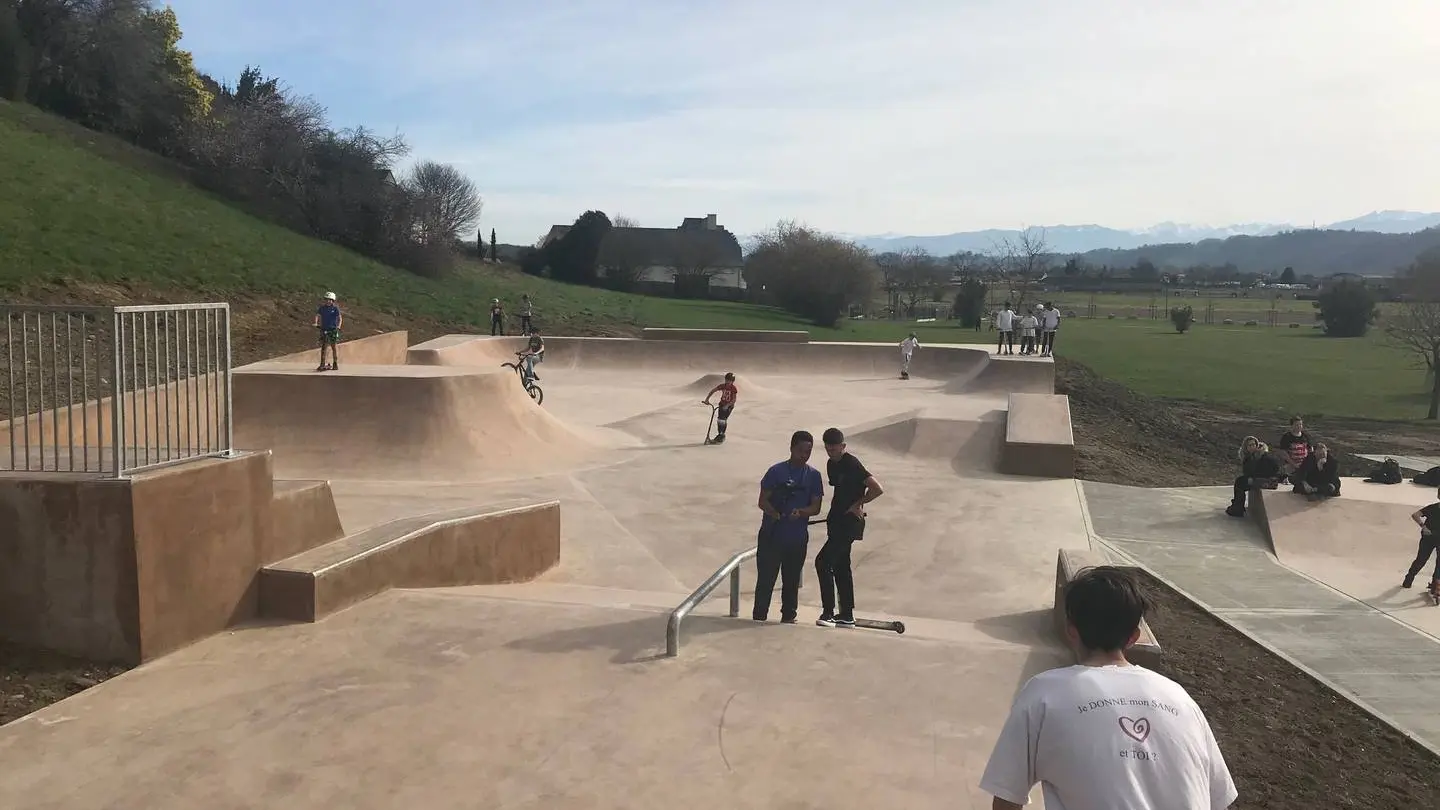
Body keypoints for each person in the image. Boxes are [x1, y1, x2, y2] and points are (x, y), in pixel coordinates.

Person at [979, 566, 1238, 810]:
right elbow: (1219, 799)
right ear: (1134, 637)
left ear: (1072, 630)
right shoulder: (1180, 698)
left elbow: (1006, 798)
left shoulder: (1044, 695)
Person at [753, 430, 825, 624]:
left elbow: (816, 507)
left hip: (797, 538)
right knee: (766, 581)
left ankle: (788, 617)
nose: (804, 455)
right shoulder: (776, 472)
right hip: (772, 535)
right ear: (792, 449)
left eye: (808, 451)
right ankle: (759, 617)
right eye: (801, 450)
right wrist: (775, 513)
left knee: (791, 582)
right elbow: (762, 501)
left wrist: (801, 512)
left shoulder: (814, 476)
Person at [815, 428, 883, 628]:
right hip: (836, 522)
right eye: (828, 449)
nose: (831, 452)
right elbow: (840, 491)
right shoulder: (831, 465)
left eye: (834, 449)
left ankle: (828, 612)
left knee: (823, 562)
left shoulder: (852, 463)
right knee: (841, 566)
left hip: (849, 524)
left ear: (843, 446)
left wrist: (858, 504)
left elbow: (877, 488)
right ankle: (846, 614)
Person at [1226, 436, 1283, 517]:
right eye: (1249, 445)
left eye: (1253, 445)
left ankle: (1237, 508)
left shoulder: (1262, 455)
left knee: (1240, 482)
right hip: (1260, 479)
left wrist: (1252, 478)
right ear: (1245, 447)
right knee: (1240, 482)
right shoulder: (1249, 457)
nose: (1252, 447)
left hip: (1269, 481)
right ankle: (1237, 506)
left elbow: (1272, 469)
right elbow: (1248, 473)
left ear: (1257, 445)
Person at [1404, 490, 1440, 595]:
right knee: (1423, 560)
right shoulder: (1432, 508)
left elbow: (1415, 515)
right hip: (1429, 538)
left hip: (1429, 537)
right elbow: (1415, 515)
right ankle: (1435, 585)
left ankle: (1409, 580)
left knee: (1422, 559)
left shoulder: (1432, 507)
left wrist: (1423, 526)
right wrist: (1423, 526)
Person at [702, 372, 739, 444]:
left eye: (730, 381)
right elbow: (713, 390)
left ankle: (722, 435)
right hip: (722, 404)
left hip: (729, 406)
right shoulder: (723, 386)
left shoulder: (733, 388)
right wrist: (707, 399)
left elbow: (734, 399)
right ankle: (720, 434)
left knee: (723, 420)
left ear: (732, 381)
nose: (728, 382)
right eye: (727, 380)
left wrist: (727, 405)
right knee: (719, 420)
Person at [312, 291, 343, 371]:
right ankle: (322, 364)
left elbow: (339, 318)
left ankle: (335, 363)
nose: (328, 301)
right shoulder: (322, 308)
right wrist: (315, 322)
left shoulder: (335, 308)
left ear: (333, 300)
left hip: (333, 329)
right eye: (326, 299)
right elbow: (317, 315)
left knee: (334, 347)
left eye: (330, 300)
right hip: (324, 329)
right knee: (324, 347)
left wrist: (339, 326)